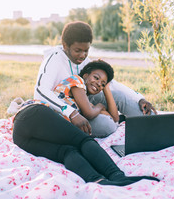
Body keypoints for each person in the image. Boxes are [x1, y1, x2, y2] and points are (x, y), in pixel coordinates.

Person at [12, 60, 160, 186]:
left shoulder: (83, 104)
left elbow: (114, 118)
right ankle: (117, 176)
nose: (98, 84)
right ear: (85, 76)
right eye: (96, 78)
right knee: (84, 140)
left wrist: (106, 90)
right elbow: (90, 113)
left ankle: (98, 180)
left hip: (21, 136)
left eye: (103, 84)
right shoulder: (76, 81)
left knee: (67, 151)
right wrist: (99, 107)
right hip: (35, 114)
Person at [34, 21, 157, 137]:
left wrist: (139, 98)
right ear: (65, 45)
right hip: (63, 111)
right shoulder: (54, 60)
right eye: (78, 50)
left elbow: (109, 82)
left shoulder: (82, 60)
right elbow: (40, 91)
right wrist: (72, 113)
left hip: (84, 101)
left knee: (119, 96)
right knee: (107, 126)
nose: (82, 55)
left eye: (86, 50)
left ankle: (152, 122)